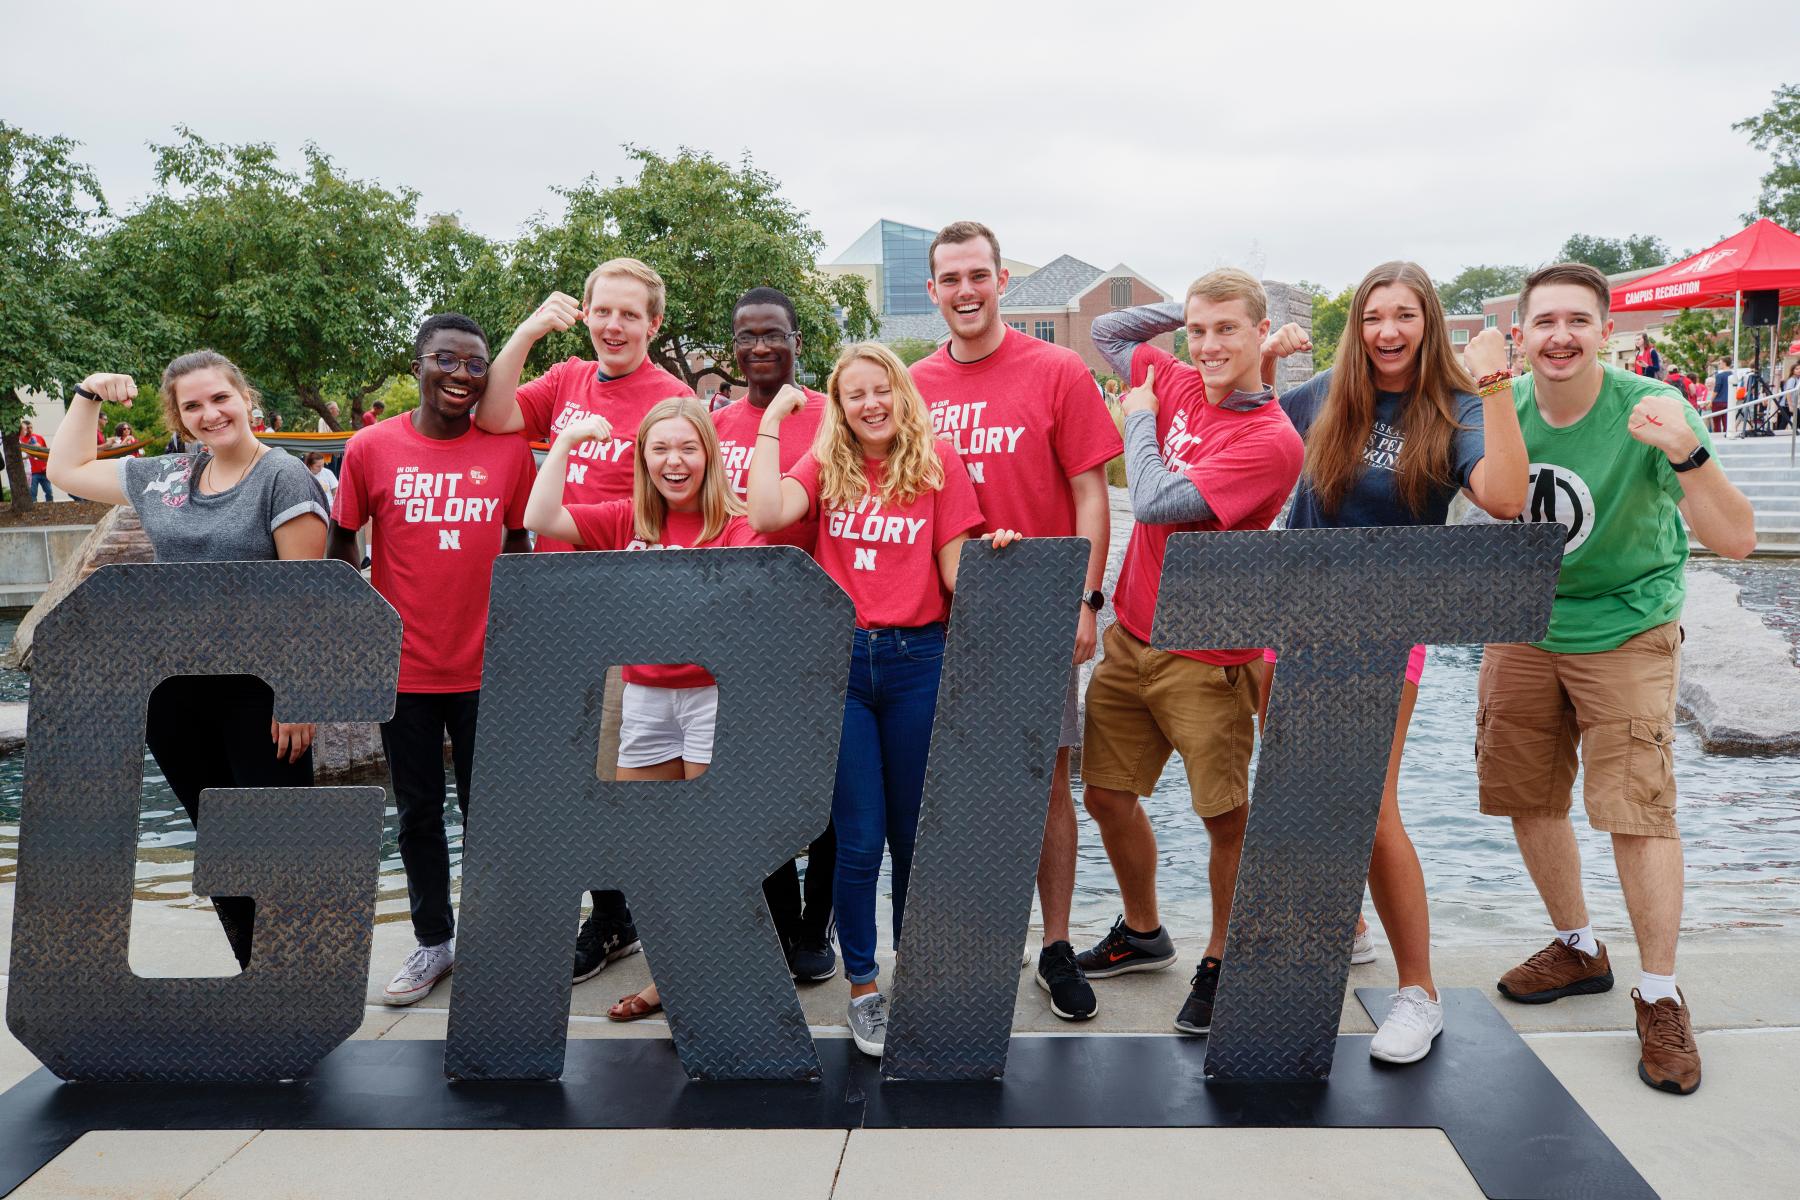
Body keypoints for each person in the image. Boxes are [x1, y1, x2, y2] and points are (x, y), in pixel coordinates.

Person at [1478, 262, 1755, 1096]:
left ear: (1606, 330)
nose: (1560, 335)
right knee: (1527, 793)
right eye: (1544, 321)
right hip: (1523, 625)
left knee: (1636, 809)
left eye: (1578, 320)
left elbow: (1735, 538)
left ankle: (1661, 993)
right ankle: (1577, 946)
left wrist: (1691, 451)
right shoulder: (1500, 406)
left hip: (1629, 625)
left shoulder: (1650, 407)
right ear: (1519, 333)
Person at [1260, 261, 1528, 1064]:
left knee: (1372, 810)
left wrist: (1501, 385)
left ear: (1428, 322)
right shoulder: (1325, 398)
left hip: (1382, 627)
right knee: (1292, 790)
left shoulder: (1458, 408)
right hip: (1291, 615)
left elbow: (1508, 500)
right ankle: (1344, 929)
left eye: (1403, 315)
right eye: (1374, 316)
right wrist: (1268, 363)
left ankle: (1420, 995)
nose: (1387, 331)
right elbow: (1255, 437)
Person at [747, 342, 1017, 1059]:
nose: (870, 405)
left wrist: (998, 553)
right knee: (859, 840)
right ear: (839, 405)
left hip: (917, 662)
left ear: (901, 392)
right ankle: (863, 988)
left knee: (913, 840)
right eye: (853, 394)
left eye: (880, 390)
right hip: (842, 666)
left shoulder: (937, 462)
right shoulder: (828, 465)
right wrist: (777, 416)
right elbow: (768, 511)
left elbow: (956, 570)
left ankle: (916, 977)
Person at [1074, 269, 1304, 1040]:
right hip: (1132, 636)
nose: (1207, 345)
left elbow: (1159, 502)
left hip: (1210, 655)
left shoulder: (1270, 440)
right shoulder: (1175, 372)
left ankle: (1222, 957)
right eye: (1198, 331)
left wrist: (1137, 419)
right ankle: (1144, 932)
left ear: (1260, 332)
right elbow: (1110, 333)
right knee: (1104, 796)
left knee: (1224, 819)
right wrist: (1196, 307)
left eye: (1228, 331)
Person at [47, 350, 328, 969]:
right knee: (221, 848)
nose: (209, 414)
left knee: (278, 847)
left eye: (219, 398)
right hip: (174, 695)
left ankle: (301, 984)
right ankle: (258, 980)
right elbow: (66, 469)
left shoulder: (283, 476)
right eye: (192, 405)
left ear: (245, 397)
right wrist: (88, 393)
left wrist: (299, 693)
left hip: (259, 694)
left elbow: (306, 597)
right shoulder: (168, 477)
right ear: (177, 415)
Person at [908, 221, 1121, 1021]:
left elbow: (1091, 495)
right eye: (949, 279)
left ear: (1001, 281)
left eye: (978, 275)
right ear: (931, 292)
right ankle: (968, 941)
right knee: (943, 790)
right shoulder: (914, 383)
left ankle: (1057, 945)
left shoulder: (1057, 370)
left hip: (1035, 608)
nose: (965, 291)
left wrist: (1085, 597)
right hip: (935, 615)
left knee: (1046, 788)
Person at [475, 256, 695, 984]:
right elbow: (495, 413)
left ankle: (620, 916)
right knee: (566, 766)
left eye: (631, 314)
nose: (614, 325)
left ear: (653, 325)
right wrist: (531, 330)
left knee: (613, 769)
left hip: (620, 597)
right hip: (556, 597)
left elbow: (685, 482)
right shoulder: (569, 377)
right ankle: (608, 911)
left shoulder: (668, 394)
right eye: (603, 310)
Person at [527, 396, 758, 1021]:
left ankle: (713, 979)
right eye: (660, 449)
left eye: (687, 447)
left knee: (711, 849)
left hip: (711, 697)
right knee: (647, 851)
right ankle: (673, 975)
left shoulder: (735, 527)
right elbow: (539, 513)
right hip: (645, 698)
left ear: (708, 453)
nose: (674, 461)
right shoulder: (627, 518)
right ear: (642, 458)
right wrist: (570, 442)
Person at [329, 314, 535, 1006]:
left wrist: (517, 640)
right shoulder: (369, 447)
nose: (461, 375)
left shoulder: (508, 452)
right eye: (447, 359)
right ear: (417, 364)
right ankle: (432, 943)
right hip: (404, 671)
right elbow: (342, 551)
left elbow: (521, 547)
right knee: (418, 813)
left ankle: (495, 939)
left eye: (476, 365)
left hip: (488, 669)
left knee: (494, 816)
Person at [710, 286, 837, 983]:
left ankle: (816, 929)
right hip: (737, 630)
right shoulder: (716, 423)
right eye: (746, 334)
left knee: (822, 789)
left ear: (796, 340)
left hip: (816, 623)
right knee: (754, 788)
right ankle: (777, 925)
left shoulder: (830, 416)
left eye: (773, 334)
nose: (759, 347)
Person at [20, 420, 51, 502]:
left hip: (43, 470)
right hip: (32, 472)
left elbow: (45, 452)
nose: (30, 430)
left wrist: (47, 466)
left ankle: (50, 506)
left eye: (31, 427)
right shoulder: (21, 440)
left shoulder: (39, 437)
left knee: (49, 492)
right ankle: (34, 510)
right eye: (27, 428)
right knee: (33, 494)